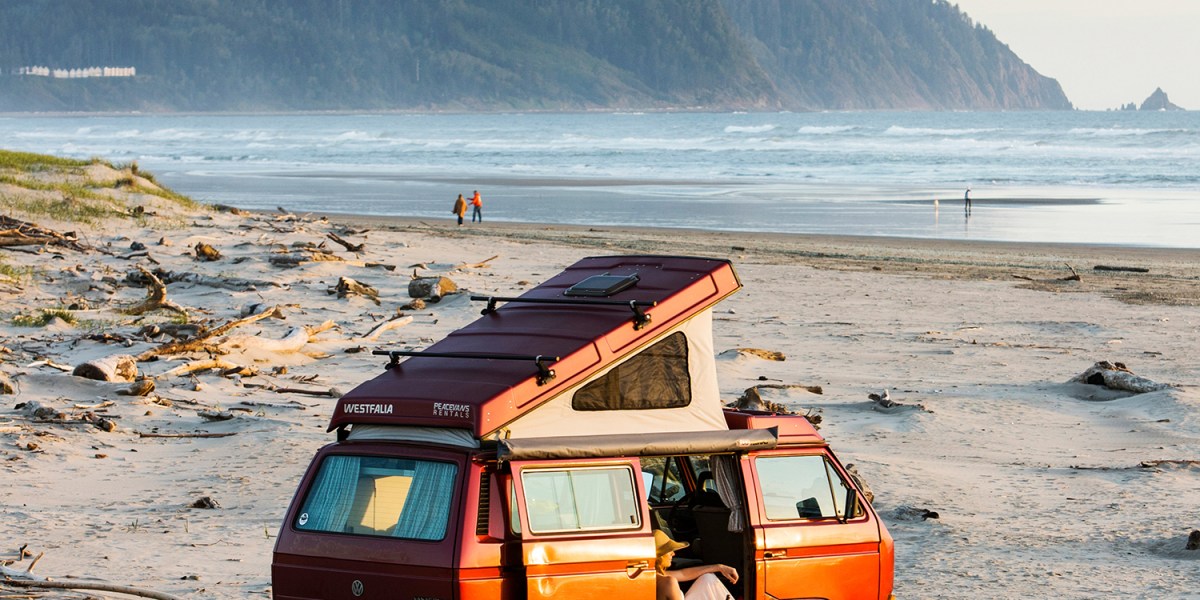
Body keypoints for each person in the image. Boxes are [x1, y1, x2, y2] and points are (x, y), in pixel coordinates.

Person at [654, 530, 737, 600]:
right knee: (710, 581)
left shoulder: (653, 577)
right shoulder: (668, 582)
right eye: (669, 550)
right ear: (660, 556)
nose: (673, 554)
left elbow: (683, 573)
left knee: (707, 578)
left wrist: (719, 567)